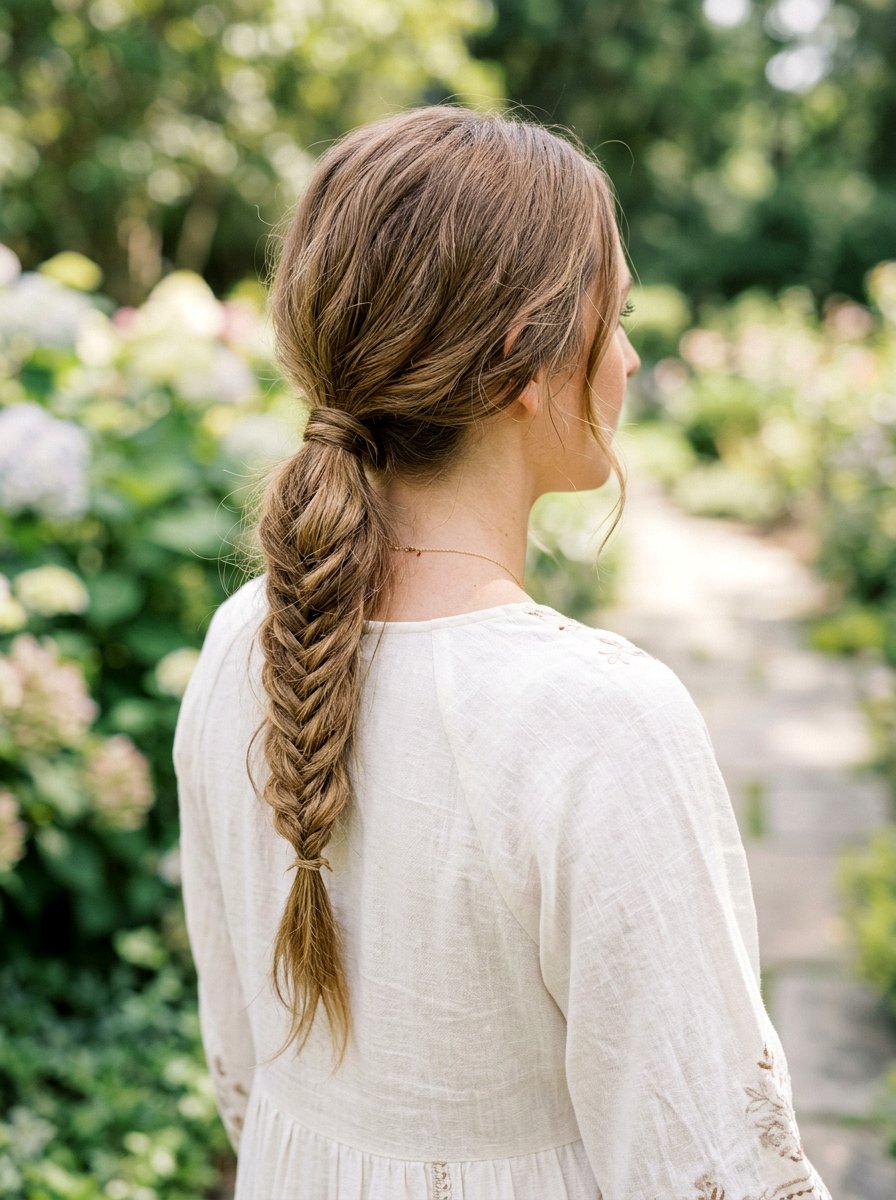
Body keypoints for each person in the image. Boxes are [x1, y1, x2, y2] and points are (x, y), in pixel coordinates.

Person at [172, 105, 833, 1200]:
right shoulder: (594, 720)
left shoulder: (245, 636)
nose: (625, 355)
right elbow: (701, 1157)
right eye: (611, 316)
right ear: (520, 361)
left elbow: (242, 1062)